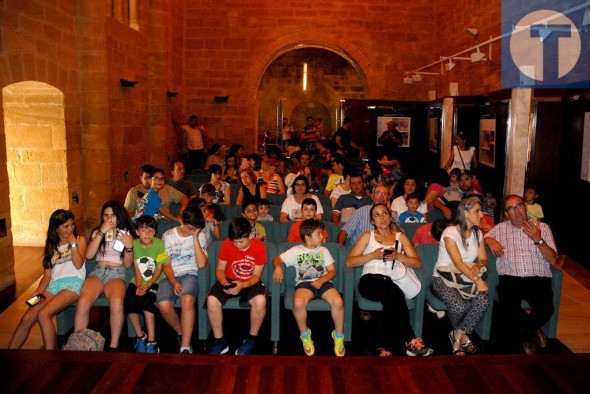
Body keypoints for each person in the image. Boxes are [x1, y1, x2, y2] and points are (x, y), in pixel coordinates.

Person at [346, 203, 433, 357]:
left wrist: (398, 256)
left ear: (390, 217)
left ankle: (382, 345)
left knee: (392, 296)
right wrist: (372, 255)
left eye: (385, 213)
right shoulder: (368, 236)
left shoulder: (400, 237)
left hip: (392, 282)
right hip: (370, 281)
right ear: (372, 221)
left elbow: (417, 263)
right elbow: (350, 262)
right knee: (392, 291)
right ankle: (410, 340)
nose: (382, 217)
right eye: (377, 215)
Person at [485, 194, 557, 355]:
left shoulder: (543, 228)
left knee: (546, 309)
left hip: (538, 277)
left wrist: (538, 240)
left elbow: (552, 259)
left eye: (519, 206)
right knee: (507, 310)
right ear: (506, 214)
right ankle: (532, 329)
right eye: (511, 208)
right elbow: (482, 236)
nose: (516, 211)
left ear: (525, 207)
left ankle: (527, 331)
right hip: (511, 278)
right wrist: (490, 240)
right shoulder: (499, 229)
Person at [8, 210, 87, 350]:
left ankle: (50, 356)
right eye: (66, 226)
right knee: (27, 317)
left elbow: (78, 264)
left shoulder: (80, 240)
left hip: (73, 284)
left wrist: (73, 244)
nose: (70, 229)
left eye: (71, 225)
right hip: (53, 286)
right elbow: (47, 275)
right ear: (56, 229)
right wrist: (38, 292)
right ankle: (9, 353)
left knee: (43, 314)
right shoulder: (52, 246)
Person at [273, 219, 345, 357]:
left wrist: (321, 280)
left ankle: (339, 335)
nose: (322, 236)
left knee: (338, 302)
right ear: (307, 236)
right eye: (318, 234)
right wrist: (277, 267)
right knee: (298, 303)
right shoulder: (296, 250)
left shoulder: (324, 250)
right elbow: (277, 259)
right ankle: (305, 335)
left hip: (324, 282)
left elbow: (332, 271)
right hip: (304, 284)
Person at [74, 200, 136, 351]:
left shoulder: (126, 234)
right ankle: (77, 344)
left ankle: (113, 346)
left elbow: (128, 264)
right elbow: (89, 255)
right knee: (83, 301)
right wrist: (101, 233)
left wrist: (129, 246)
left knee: (116, 301)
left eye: (113, 216)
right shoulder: (98, 232)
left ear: (119, 216)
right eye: (106, 216)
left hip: (117, 273)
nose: (109, 219)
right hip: (98, 271)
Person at [430, 196, 489, 356]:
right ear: (466, 213)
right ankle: (461, 338)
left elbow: (484, 257)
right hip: (443, 278)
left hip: (465, 277)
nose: (481, 215)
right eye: (477, 211)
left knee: (483, 299)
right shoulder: (450, 232)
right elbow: (457, 262)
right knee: (458, 305)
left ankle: (457, 335)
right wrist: (478, 280)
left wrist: (478, 264)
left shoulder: (477, 233)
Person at [207, 217, 268, 355]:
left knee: (261, 301)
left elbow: (257, 276)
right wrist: (224, 283)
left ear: (251, 235)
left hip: (250, 280)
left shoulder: (259, 247)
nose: (238, 245)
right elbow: (220, 270)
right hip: (228, 278)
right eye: (235, 242)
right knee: (211, 300)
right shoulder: (227, 244)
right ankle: (219, 341)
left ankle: (252, 339)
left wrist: (242, 285)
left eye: (241, 241)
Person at [157, 207, 208, 354]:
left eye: (195, 229)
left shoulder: (200, 235)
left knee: (187, 300)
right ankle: (180, 331)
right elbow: (165, 264)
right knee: (164, 305)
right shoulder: (167, 236)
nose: (193, 231)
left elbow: (202, 264)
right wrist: (173, 281)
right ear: (181, 221)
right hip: (171, 274)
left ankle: (185, 346)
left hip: (190, 273)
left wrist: (195, 238)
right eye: (190, 228)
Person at [125, 215, 168, 353]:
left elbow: (159, 269)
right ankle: (140, 337)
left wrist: (147, 286)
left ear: (155, 231)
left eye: (151, 230)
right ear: (137, 232)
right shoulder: (135, 244)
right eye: (143, 230)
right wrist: (138, 286)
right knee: (128, 303)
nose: (147, 234)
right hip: (138, 281)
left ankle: (152, 341)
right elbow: (137, 268)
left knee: (147, 304)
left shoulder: (159, 244)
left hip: (155, 282)